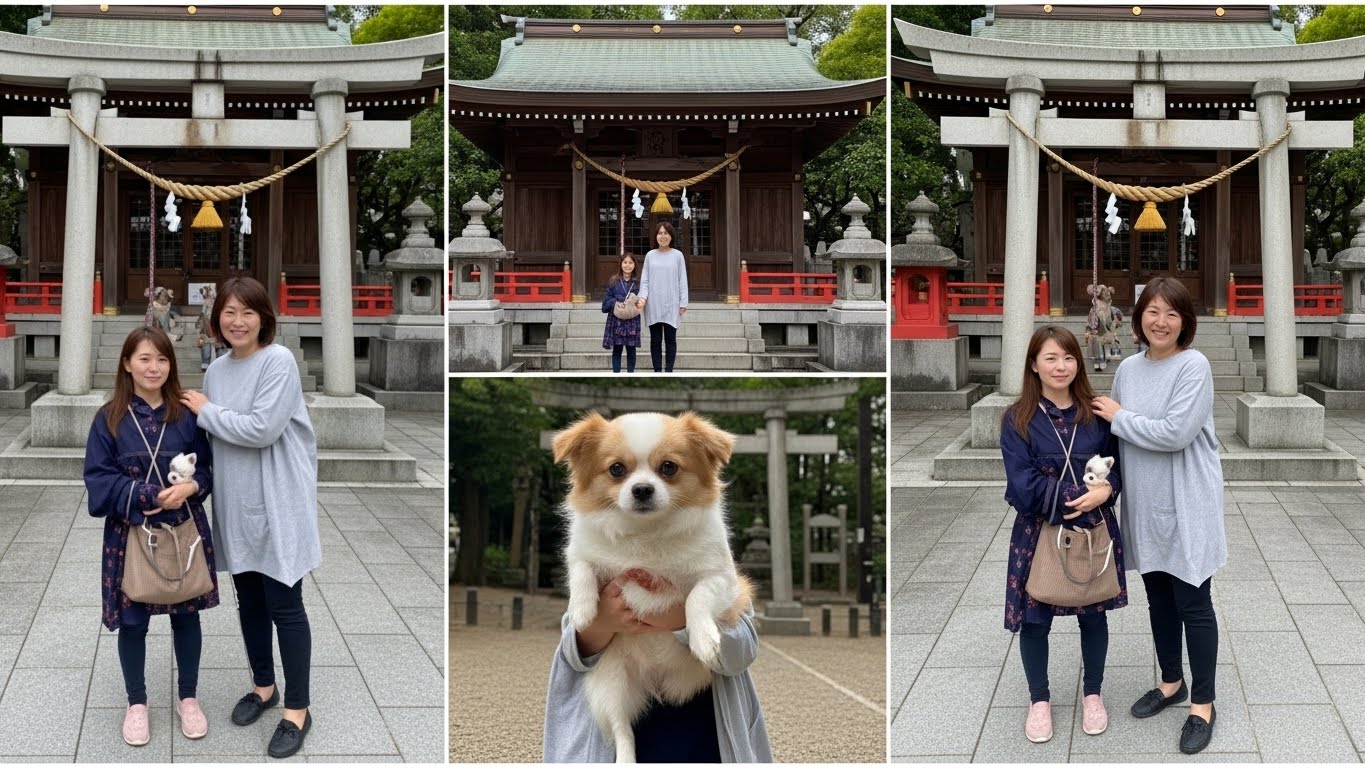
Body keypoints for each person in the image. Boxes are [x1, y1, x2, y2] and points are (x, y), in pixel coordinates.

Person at [180, 276, 321, 760]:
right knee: (251, 604)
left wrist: (205, 410)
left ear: (264, 318)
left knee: (285, 604)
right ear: (217, 317)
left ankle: (297, 709)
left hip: (278, 501)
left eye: (248, 312)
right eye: (229, 312)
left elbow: (262, 429)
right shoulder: (217, 370)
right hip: (237, 505)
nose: (237, 321)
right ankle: (264, 686)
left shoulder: (277, 361)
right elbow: (213, 436)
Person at [1092, 275, 1225, 755]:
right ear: (1139, 317)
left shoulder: (1195, 366)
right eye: (1153, 311)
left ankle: (1203, 704)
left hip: (1187, 502)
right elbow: (1115, 435)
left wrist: (1118, 417)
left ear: (1185, 321)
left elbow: (1175, 433)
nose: (1161, 321)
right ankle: (1172, 682)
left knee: (1194, 603)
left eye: (1172, 313)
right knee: (1159, 600)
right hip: (1146, 504)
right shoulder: (1128, 368)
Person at [84, 326, 217, 747]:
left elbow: (211, 470)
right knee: (133, 620)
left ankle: (189, 698)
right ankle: (136, 702)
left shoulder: (188, 415)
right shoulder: (108, 419)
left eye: (161, 359)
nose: (153, 367)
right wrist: (146, 494)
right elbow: (99, 482)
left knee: (186, 615)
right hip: (132, 535)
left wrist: (193, 487)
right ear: (126, 364)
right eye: (143, 358)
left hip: (183, 533)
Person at [1000, 325, 1127, 744]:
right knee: (1035, 620)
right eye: (1051, 358)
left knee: (1093, 614)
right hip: (1039, 531)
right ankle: (1039, 700)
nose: (1061, 366)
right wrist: (1082, 496)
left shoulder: (1097, 414)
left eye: (1069, 357)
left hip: (1093, 531)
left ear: (1079, 362)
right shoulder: (1017, 418)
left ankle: (1093, 693)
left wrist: (1107, 490)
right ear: (1034, 364)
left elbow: (1119, 468)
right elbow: (1022, 485)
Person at [543, 577, 772, 762]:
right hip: (621, 728)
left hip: (706, 727)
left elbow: (742, 649)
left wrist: (683, 617)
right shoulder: (600, 551)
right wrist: (601, 622)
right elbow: (573, 653)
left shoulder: (709, 553)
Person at [635, 222, 688, 373]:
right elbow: (645, 280)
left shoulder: (678, 255)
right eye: (660, 233)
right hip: (653, 303)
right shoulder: (650, 256)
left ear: (671, 236)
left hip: (672, 302)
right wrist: (642, 298)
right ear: (655, 236)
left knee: (671, 339)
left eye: (666, 233)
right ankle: (657, 370)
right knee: (655, 340)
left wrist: (683, 302)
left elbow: (682, 280)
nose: (663, 236)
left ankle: (669, 370)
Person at [600, 253, 642, 373]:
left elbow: (642, 300)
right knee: (617, 350)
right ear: (620, 264)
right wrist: (615, 302)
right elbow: (605, 304)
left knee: (631, 350)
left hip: (632, 320)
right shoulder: (613, 281)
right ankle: (616, 374)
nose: (627, 265)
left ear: (634, 265)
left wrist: (637, 303)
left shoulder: (638, 283)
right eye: (625, 262)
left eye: (630, 262)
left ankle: (630, 375)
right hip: (616, 320)